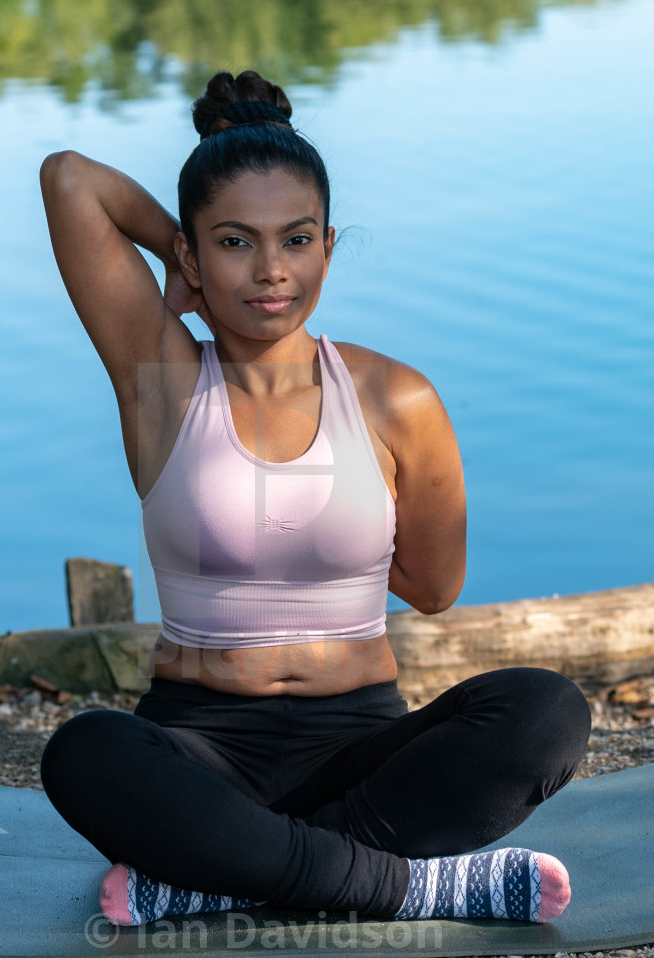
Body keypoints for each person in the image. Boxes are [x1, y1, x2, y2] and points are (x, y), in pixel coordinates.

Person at [38, 69, 591, 928]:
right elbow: (69, 179)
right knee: (85, 752)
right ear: (190, 253)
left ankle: (222, 872)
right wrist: (173, 256)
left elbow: (436, 588)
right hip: (201, 744)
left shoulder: (395, 399)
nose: (270, 271)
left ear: (328, 247)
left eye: (295, 240)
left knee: (545, 709)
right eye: (231, 242)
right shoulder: (162, 379)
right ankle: (404, 885)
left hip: (362, 748)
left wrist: (338, 527)